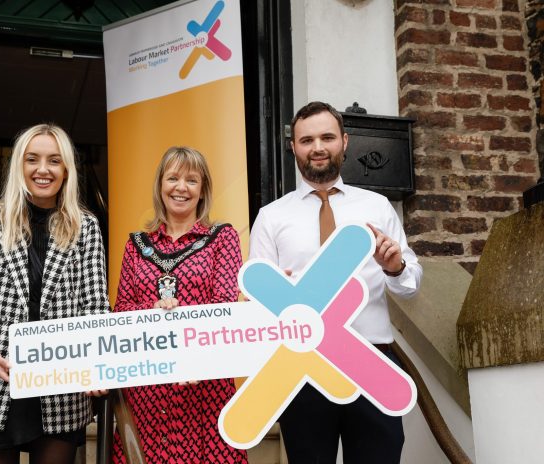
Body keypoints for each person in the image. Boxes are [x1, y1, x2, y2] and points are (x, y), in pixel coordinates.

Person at [249, 101, 423, 464]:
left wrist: (394, 267)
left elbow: (410, 288)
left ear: (344, 142)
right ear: (293, 147)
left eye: (327, 137)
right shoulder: (271, 217)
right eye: (306, 139)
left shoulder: (376, 207)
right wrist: (272, 295)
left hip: (371, 361)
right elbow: (257, 307)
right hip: (303, 366)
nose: (317, 147)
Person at [0, 123, 110, 464]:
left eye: (54, 160)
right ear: (19, 165)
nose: (43, 169)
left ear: (66, 169)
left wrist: (97, 364)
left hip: (61, 389)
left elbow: (95, 306)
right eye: (32, 159)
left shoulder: (86, 226)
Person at [110, 146, 248, 463]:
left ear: (203, 190)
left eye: (191, 180)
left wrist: (196, 357)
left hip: (204, 385)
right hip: (146, 385)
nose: (181, 188)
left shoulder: (223, 237)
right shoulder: (136, 244)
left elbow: (222, 305)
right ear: (161, 186)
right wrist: (153, 313)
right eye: (172, 178)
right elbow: (121, 311)